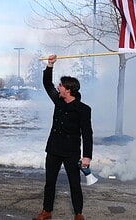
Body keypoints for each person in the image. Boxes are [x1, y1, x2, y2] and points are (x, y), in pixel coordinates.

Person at [34, 54, 93, 220]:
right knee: (50, 183)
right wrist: (50, 65)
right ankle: (46, 211)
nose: (58, 87)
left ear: (68, 89)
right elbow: (47, 84)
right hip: (53, 149)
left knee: (74, 184)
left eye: (61, 85)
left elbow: (87, 133)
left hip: (71, 152)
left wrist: (87, 156)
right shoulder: (58, 101)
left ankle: (78, 214)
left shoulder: (83, 109)